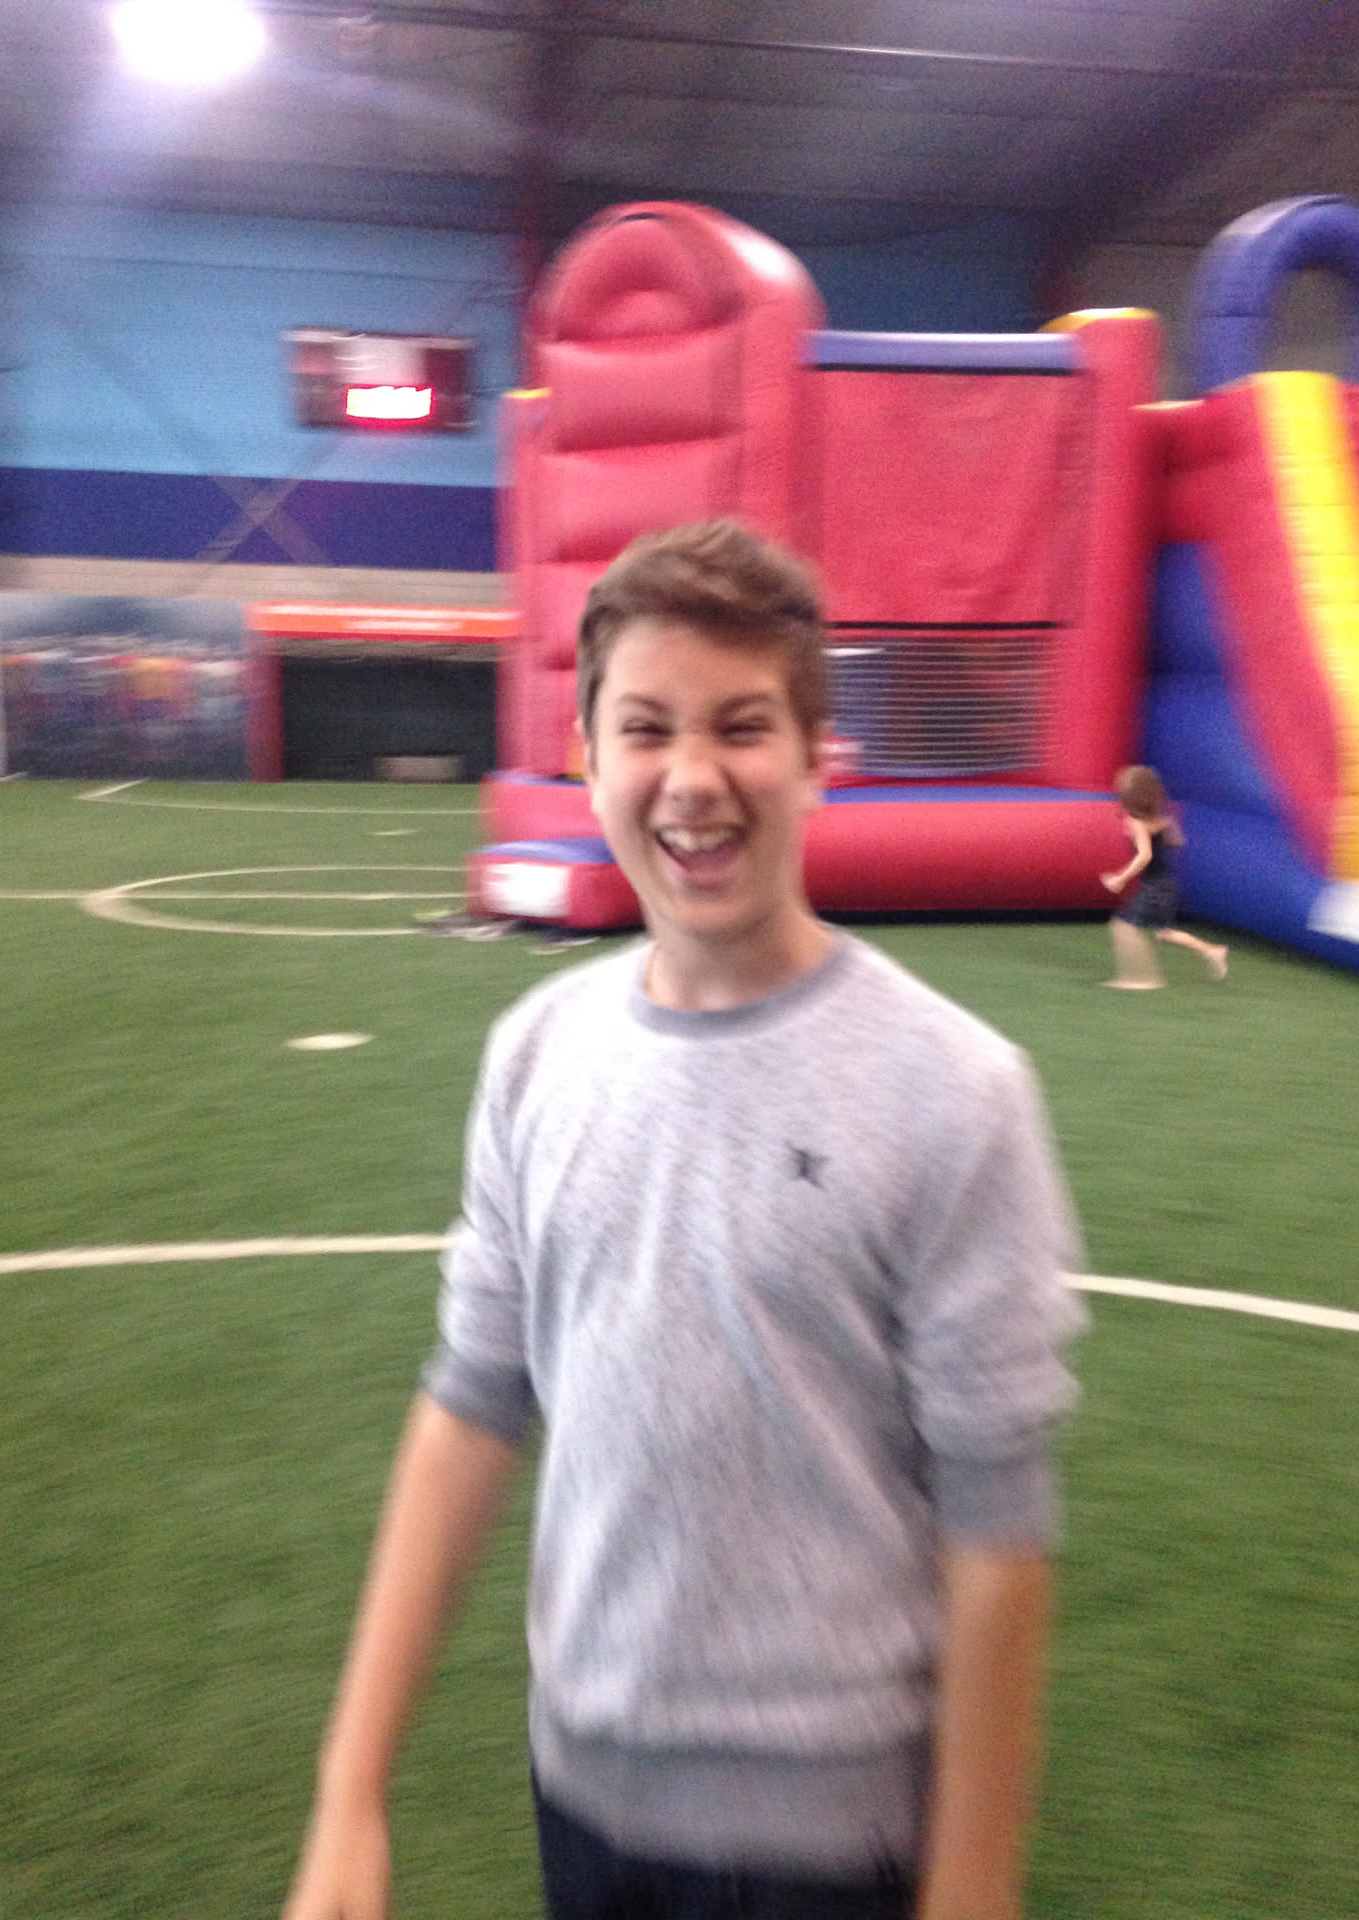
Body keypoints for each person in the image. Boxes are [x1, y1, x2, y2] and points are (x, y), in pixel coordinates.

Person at [282, 520, 1085, 1920]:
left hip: (836, 1855)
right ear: (587, 758)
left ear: (819, 758)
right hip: (582, 1803)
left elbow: (997, 1527)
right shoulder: (534, 1057)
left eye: (743, 726)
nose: (693, 777)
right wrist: (351, 1783)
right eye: (647, 728)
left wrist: (973, 1888)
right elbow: (470, 1411)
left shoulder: (956, 1092)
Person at [1099, 764, 1228, 988]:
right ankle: (1212, 950)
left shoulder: (1136, 822)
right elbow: (1177, 840)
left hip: (1155, 887)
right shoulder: (1161, 818)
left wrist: (1120, 878)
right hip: (1166, 883)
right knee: (1165, 932)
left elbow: (1145, 856)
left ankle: (1142, 979)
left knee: (1124, 926)